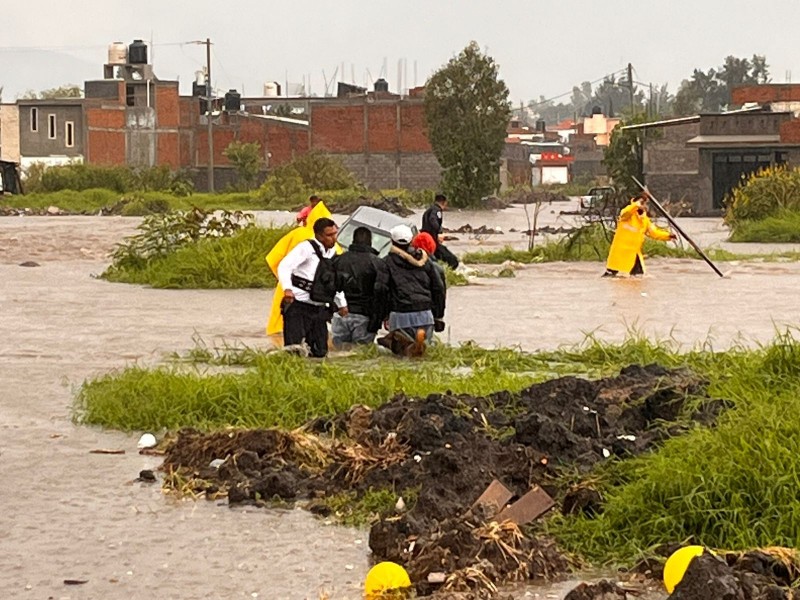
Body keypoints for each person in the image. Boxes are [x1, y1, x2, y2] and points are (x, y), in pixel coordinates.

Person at [266, 200, 337, 336]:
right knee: (316, 343)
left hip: (291, 292)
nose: (333, 236)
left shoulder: (296, 234)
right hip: (313, 298)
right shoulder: (334, 246)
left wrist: (284, 281)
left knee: (282, 331)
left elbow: (274, 258)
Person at [277, 217, 346, 357]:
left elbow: (333, 282)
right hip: (298, 306)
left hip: (319, 308)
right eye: (329, 235)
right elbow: (284, 265)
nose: (333, 238)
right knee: (294, 350)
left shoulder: (333, 254)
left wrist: (341, 304)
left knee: (320, 352)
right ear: (319, 235)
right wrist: (287, 289)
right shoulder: (306, 248)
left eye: (335, 234)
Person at [375, 224, 445, 357]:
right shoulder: (426, 261)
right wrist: (438, 315)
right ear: (412, 241)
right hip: (425, 313)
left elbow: (381, 290)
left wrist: (381, 316)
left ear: (392, 241)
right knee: (423, 356)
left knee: (401, 355)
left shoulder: (386, 263)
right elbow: (438, 287)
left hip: (400, 314)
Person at [331, 226, 383, 348]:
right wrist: (379, 317)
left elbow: (330, 287)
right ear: (370, 242)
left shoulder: (338, 260)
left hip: (340, 313)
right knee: (362, 354)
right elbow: (381, 292)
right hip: (365, 315)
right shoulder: (377, 263)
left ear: (353, 240)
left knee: (340, 352)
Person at [603, 194, 676, 277]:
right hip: (620, 254)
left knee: (639, 278)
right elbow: (625, 212)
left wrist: (668, 236)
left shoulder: (645, 220)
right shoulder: (627, 215)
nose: (644, 206)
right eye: (642, 203)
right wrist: (636, 205)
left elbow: (654, 232)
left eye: (645, 204)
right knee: (612, 277)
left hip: (634, 255)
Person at [411, 231, 447, 334]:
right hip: (427, 313)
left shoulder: (404, 262)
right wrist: (439, 317)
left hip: (403, 311)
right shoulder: (436, 269)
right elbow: (440, 293)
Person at [421, 193, 459, 270]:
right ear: (444, 202)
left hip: (427, 241)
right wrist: (439, 232)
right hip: (432, 241)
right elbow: (433, 220)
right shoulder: (437, 210)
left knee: (434, 259)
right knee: (453, 261)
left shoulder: (429, 210)